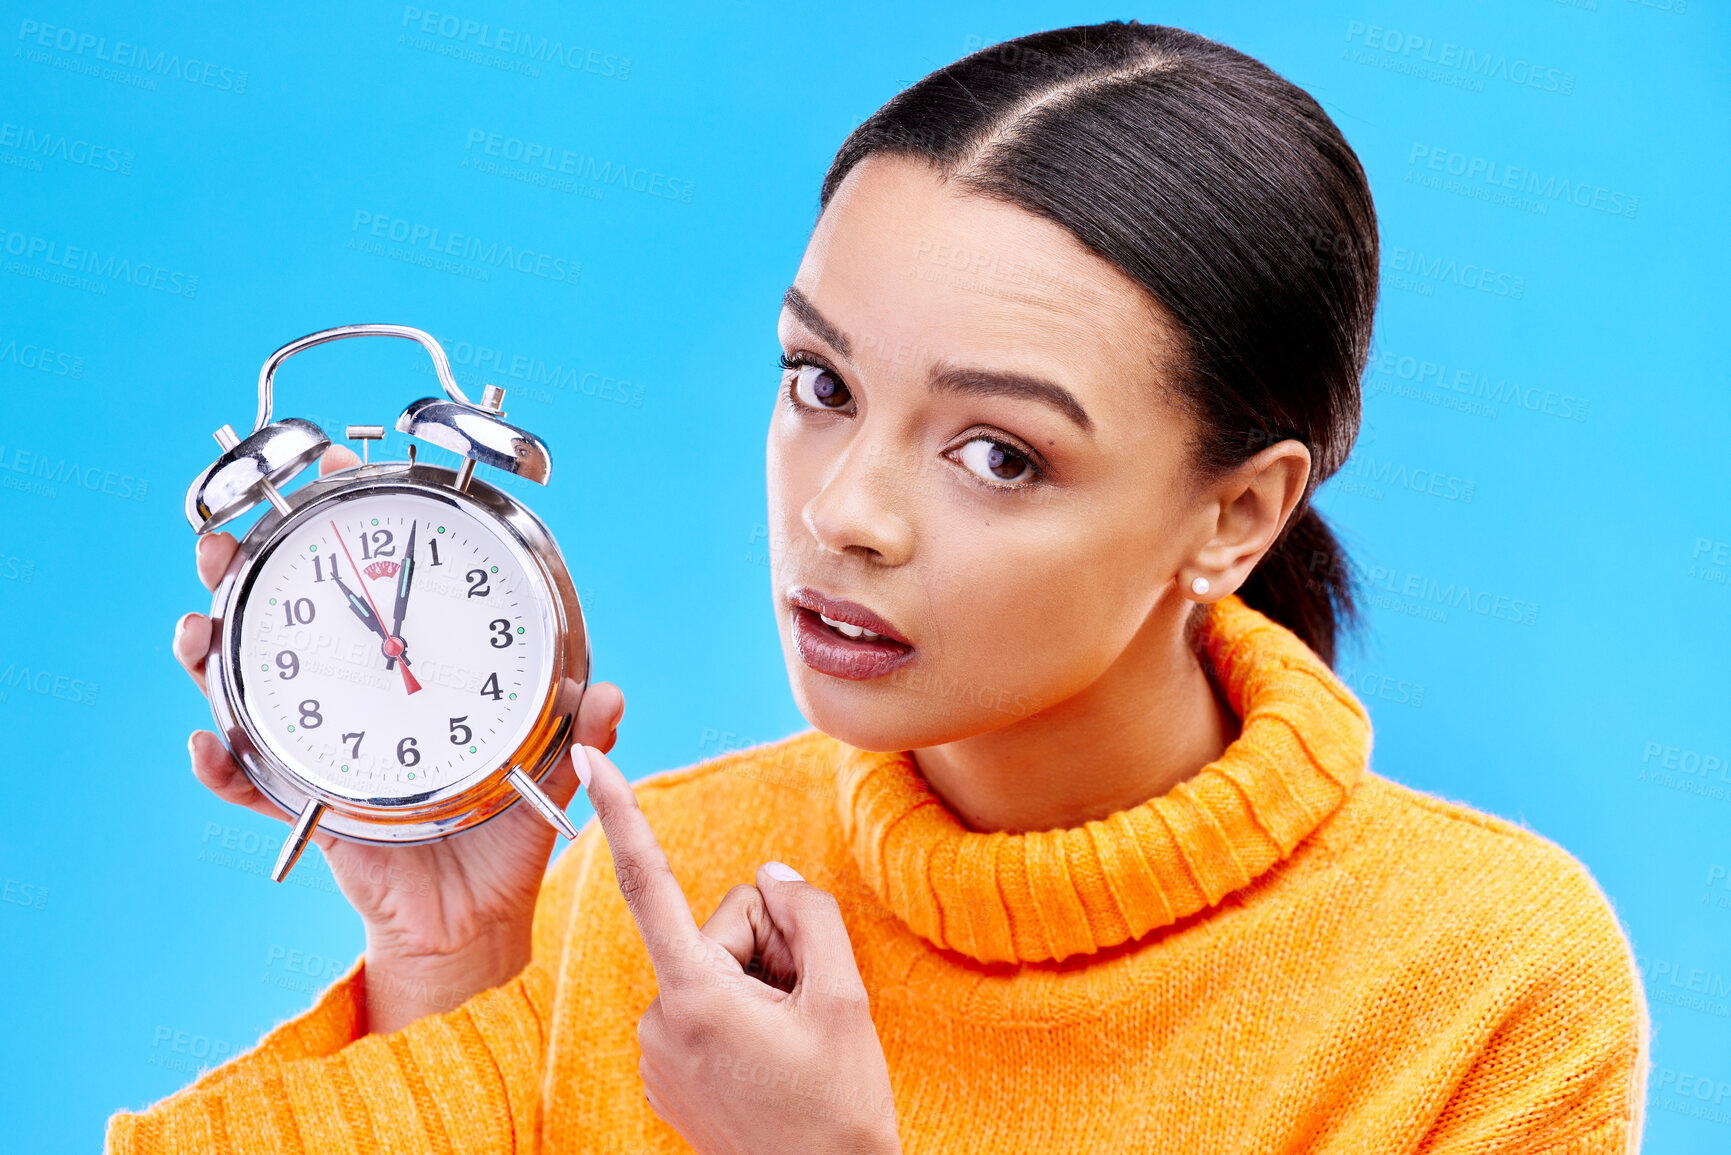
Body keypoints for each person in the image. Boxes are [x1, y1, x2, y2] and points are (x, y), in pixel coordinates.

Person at [108, 21, 1647, 1154]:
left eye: (996, 454)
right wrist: (449, 960)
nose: (844, 514)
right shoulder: (654, 885)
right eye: (820, 383)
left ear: (1235, 515)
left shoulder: (1488, 987)